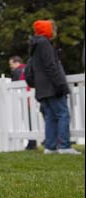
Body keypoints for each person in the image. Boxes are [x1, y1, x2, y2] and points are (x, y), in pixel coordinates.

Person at [27, 20, 80, 155]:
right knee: (63, 115)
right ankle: (64, 146)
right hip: (52, 86)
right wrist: (60, 85)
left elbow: (30, 69)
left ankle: (50, 147)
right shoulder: (44, 43)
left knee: (50, 116)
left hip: (42, 88)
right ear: (48, 30)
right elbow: (51, 66)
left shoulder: (35, 45)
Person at [8, 55, 35, 150]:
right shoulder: (27, 68)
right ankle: (33, 142)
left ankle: (31, 143)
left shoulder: (17, 71)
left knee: (28, 122)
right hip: (32, 97)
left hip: (23, 99)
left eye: (11, 64)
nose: (11, 67)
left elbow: (14, 85)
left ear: (16, 62)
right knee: (33, 121)